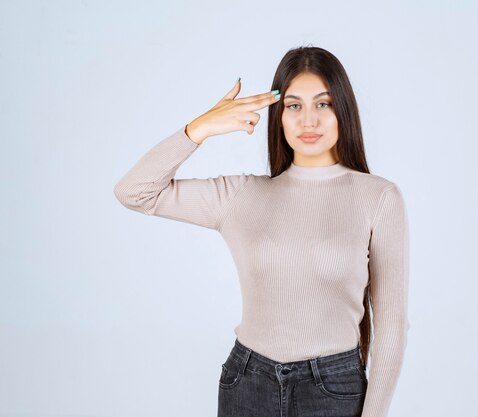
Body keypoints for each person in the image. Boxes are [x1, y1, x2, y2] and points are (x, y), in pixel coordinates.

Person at [114, 46, 410, 417]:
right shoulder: (242, 195)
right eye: (293, 106)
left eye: (324, 104)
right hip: (248, 384)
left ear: (343, 111)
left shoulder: (378, 197)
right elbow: (134, 192)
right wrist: (199, 129)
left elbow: (392, 322)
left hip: (334, 390)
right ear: (278, 116)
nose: (309, 121)